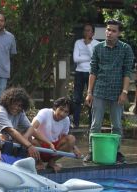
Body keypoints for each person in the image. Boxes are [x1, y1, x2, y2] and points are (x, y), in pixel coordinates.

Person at [84, 19, 135, 163]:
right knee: (95, 123)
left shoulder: (126, 49)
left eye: (113, 30)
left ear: (119, 33)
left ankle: (117, 152)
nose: (109, 33)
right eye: (108, 29)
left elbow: (127, 72)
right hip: (99, 90)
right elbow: (93, 71)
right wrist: (89, 92)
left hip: (117, 91)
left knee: (117, 124)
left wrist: (125, 92)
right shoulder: (98, 48)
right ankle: (92, 151)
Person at [0, 87, 55, 164]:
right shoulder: (0, 111)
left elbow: (31, 128)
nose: (16, 107)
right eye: (14, 104)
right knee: (6, 137)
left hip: (8, 144)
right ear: (8, 101)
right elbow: (11, 131)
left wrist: (49, 143)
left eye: (20, 105)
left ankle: (33, 163)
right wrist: (29, 145)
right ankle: (28, 162)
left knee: (29, 136)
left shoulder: (20, 112)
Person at [31, 97, 82, 172]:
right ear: (55, 107)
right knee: (33, 141)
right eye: (61, 109)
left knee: (71, 139)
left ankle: (52, 162)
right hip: (39, 148)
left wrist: (74, 147)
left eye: (66, 112)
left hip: (53, 149)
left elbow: (64, 137)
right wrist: (48, 143)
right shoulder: (45, 112)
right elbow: (32, 128)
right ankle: (39, 162)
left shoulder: (66, 120)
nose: (62, 114)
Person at [72, 23, 99, 128]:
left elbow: (94, 58)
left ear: (93, 33)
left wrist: (88, 44)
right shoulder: (78, 42)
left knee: (91, 97)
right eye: (85, 30)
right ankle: (76, 122)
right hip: (79, 72)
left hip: (91, 73)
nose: (86, 32)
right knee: (77, 98)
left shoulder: (96, 44)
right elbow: (75, 59)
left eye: (89, 30)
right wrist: (88, 58)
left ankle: (91, 123)